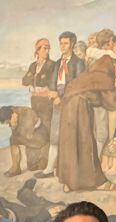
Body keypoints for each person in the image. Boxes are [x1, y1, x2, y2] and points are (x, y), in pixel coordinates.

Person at [58, 55, 116, 192]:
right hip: (79, 108)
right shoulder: (104, 77)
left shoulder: (91, 74)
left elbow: (97, 97)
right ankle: (98, 182)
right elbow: (112, 102)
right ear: (113, 65)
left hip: (67, 109)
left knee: (70, 144)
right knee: (86, 143)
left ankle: (69, 183)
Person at [38, 31, 86, 180]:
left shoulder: (78, 63)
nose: (62, 46)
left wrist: (61, 97)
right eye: (61, 43)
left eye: (65, 43)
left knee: (70, 137)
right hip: (57, 101)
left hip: (71, 103)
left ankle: (71, 171)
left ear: (72, 43)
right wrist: (52, 93)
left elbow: (77, 85)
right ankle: (49, 169)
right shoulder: (58, 62)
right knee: (54, 135)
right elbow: (53, 80)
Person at [0, 105, 49, 176]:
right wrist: (14, 127)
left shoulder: (26, 113)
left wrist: (14, 127)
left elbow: (28, 135)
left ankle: (16, 168)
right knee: (13, 139)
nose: (9, 124)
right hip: (32, 137)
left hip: (40, 138)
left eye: (8, 122)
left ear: (12, 115)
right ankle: (16, 168)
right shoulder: (14, 112)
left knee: (13, 139)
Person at [23, 38, 57, 133]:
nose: (47, 51)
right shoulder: (33, 65)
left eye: (48, 49)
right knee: (37, 125)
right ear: (37, 50)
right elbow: (24, 81)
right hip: (35, 100)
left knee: (47, 125)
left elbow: (49, 82)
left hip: (46, 101)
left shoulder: (52, 64)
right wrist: (34, 82)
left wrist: (34, 82)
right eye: (44, 48)